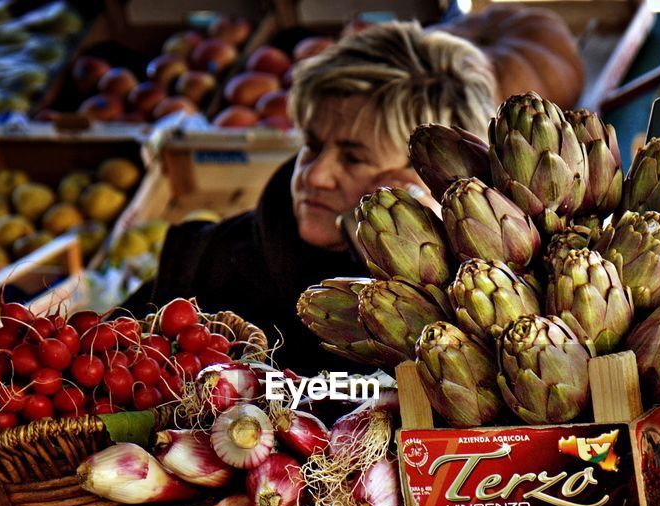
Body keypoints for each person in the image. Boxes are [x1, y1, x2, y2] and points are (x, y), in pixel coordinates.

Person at [124, 21, 496, 374]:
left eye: (353, 158)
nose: (316, 175)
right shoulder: (205, 260)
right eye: (312, 146)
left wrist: (421, 257)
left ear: (424, 181)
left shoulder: (477, 309)